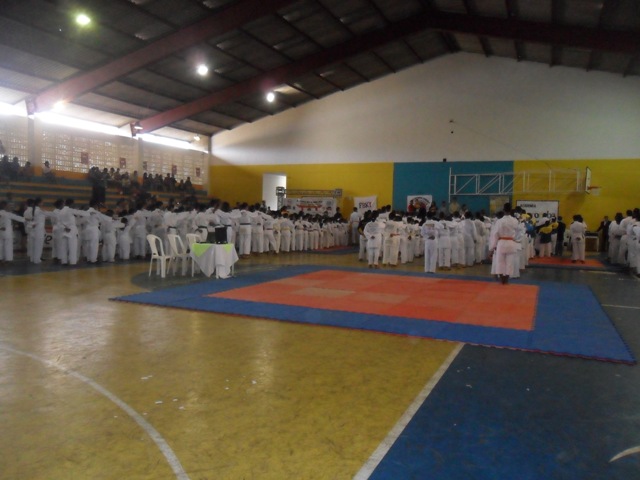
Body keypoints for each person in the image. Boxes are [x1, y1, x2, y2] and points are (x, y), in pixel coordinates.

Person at [489, 203, 520, 284]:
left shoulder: (499, 221)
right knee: (510, 262)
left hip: (501, 243)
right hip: (511, 242)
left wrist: (492, 247)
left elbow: (495, 234)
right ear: (511, 210)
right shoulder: (515, 221)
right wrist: (514, 239)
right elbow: (518, 232)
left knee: (500, 262)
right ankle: (506, 280)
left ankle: (502, 280)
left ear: (503, 210)